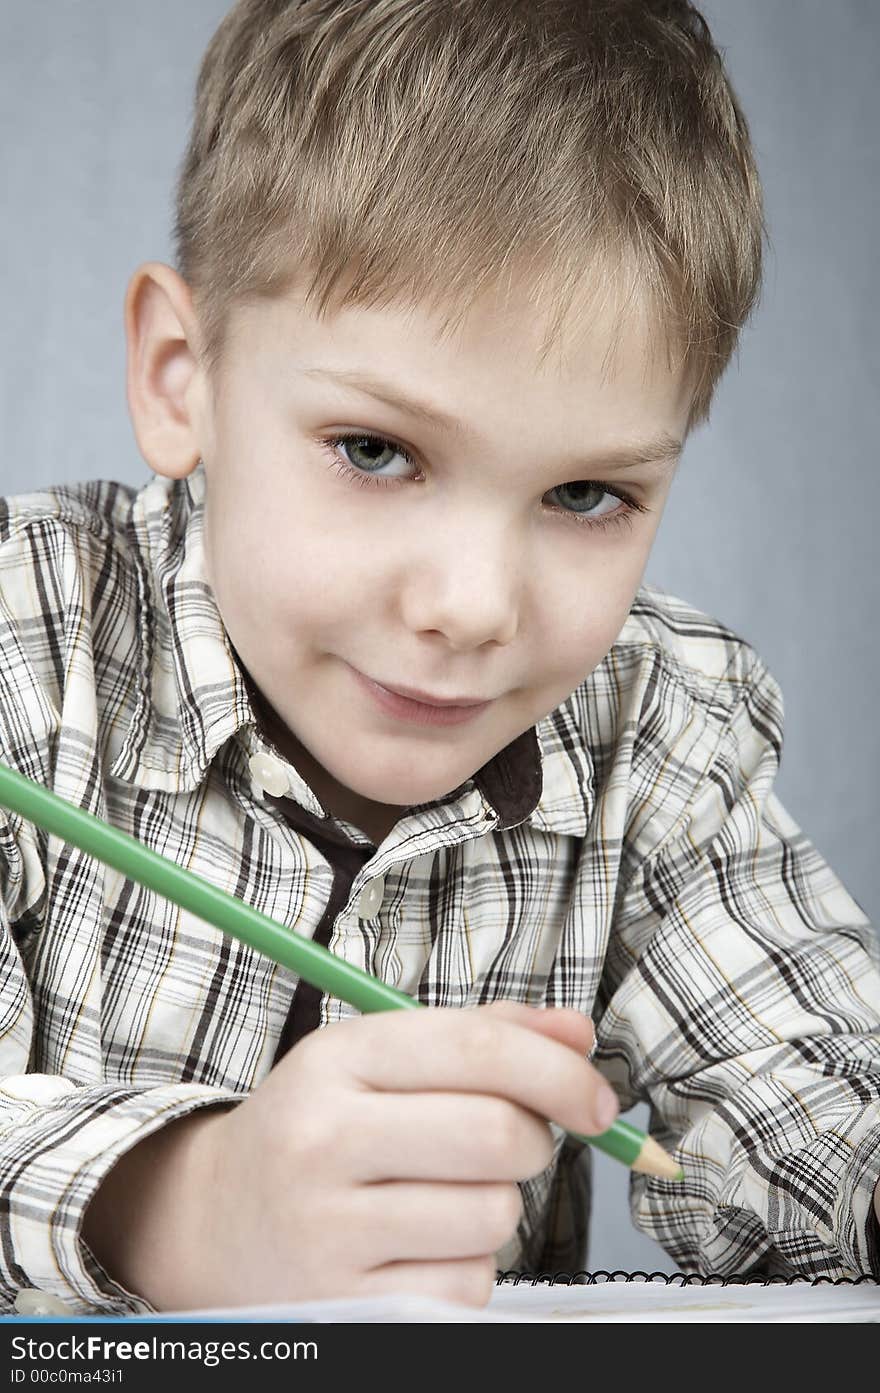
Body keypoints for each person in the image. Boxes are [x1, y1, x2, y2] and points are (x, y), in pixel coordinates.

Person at [0, 0, 878, 1317]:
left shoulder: (657, 730)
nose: (474, 608)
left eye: (586, 493)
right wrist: (185, 1201)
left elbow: (809, 1098)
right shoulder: (27, 638)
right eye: (374, 449)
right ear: (183, 376)